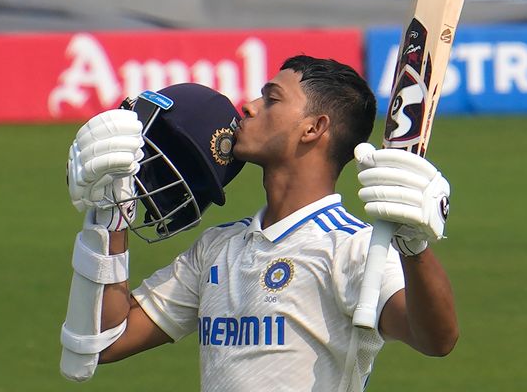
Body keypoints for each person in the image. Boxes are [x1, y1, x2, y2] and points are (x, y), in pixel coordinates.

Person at [61, 55, 458, 391]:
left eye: (271, 99)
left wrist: (414, 249)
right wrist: (109, 215)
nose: (248, 107)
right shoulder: (217, 247)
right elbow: (104, 341)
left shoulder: (353, 246)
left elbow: (436, 339)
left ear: (313, 128)